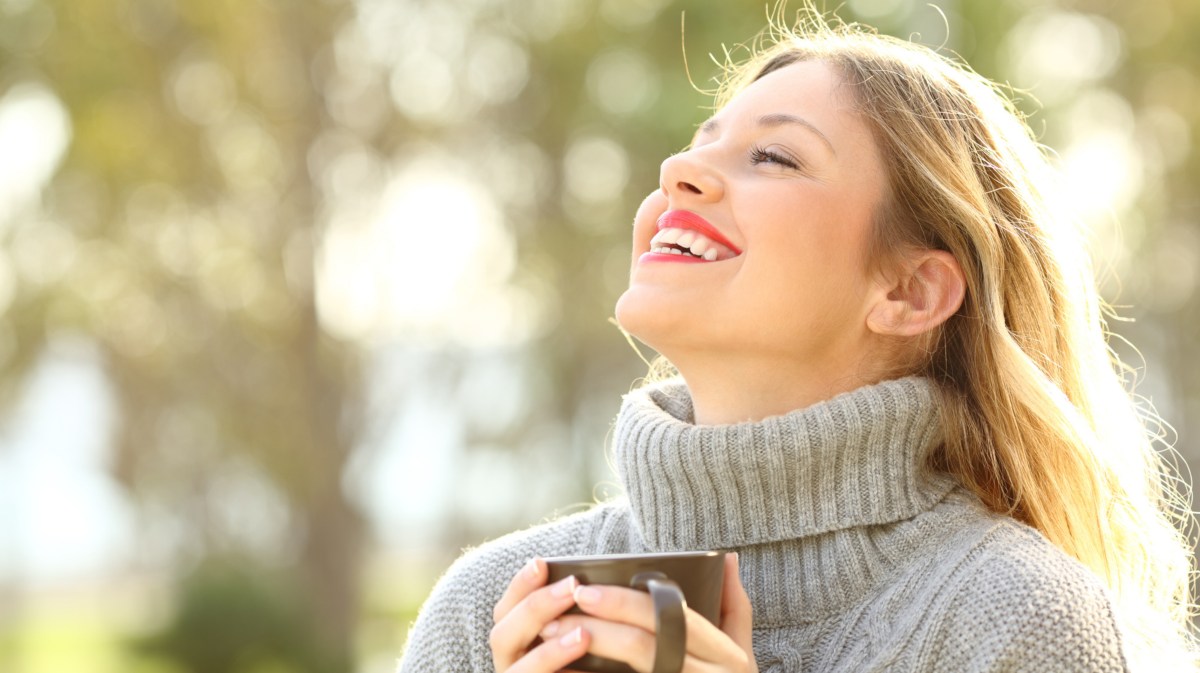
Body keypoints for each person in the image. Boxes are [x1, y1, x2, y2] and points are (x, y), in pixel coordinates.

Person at [399, 9, 1198, 673]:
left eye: (773, 157)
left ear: (909, 291)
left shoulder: (1013, 617)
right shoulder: (489, 607)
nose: (680, 167)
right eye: (699, 143)